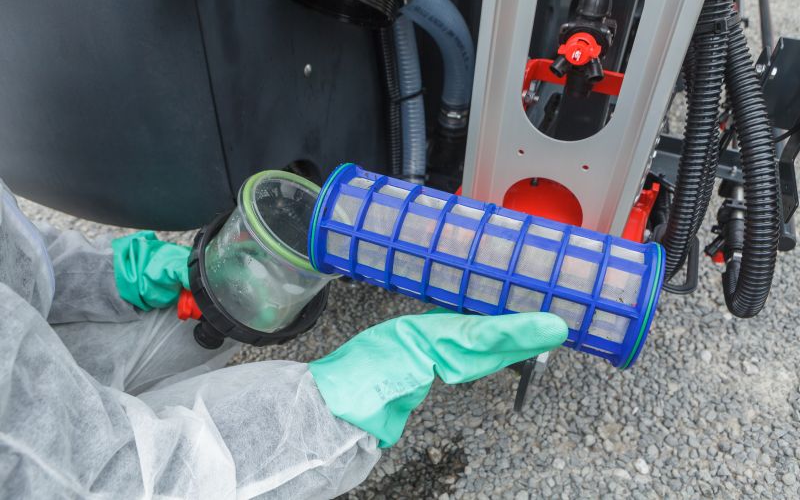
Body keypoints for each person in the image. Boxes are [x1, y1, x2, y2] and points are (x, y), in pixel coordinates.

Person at [0, 178, 567, 499]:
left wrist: (107, 273)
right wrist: (332, 411)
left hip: (30, 358)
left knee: (226, 301)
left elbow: (13, 251)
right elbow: (118, 484)